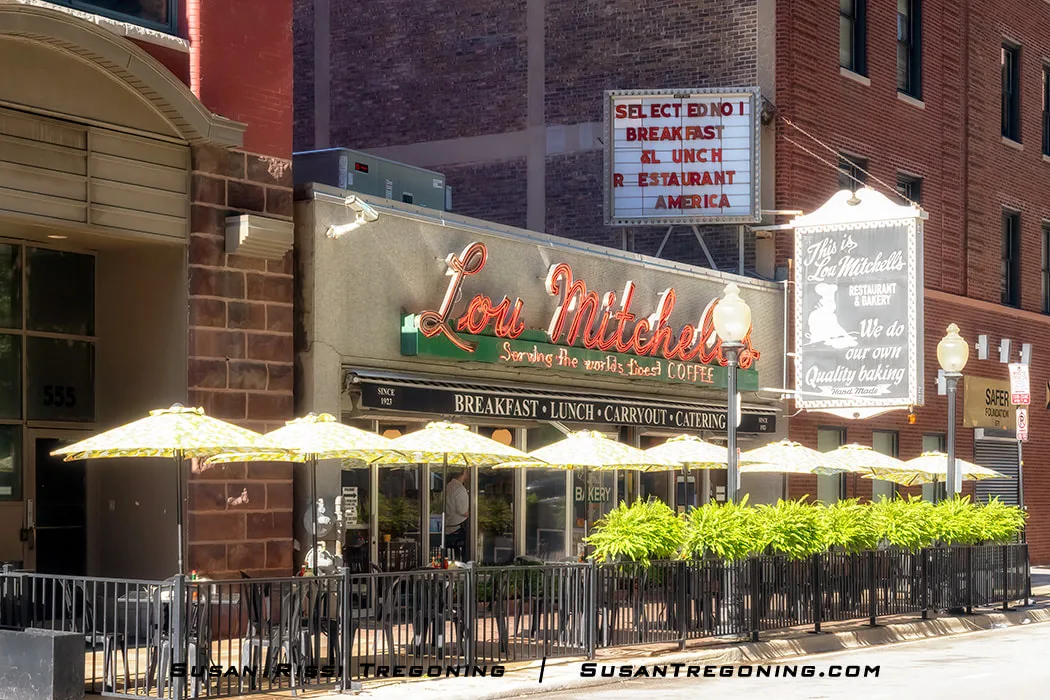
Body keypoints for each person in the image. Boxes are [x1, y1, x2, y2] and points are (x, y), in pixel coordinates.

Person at [444, 470, 469, 559]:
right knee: (469, 542)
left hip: (448, 525)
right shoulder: (460, 489)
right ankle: (466, 563)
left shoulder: (448, 486)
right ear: (464, 473)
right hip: (457, 527)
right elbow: (463, 511)